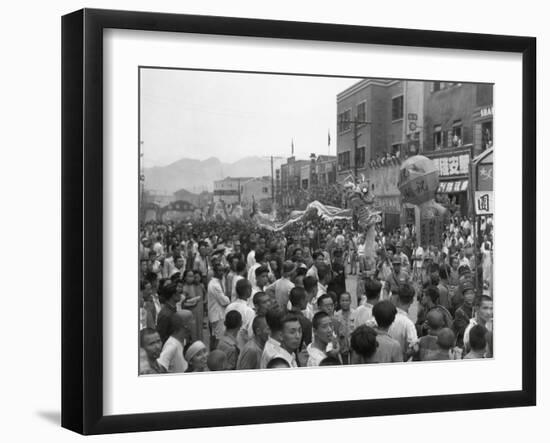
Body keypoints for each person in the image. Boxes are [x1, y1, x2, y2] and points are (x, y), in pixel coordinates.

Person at [388, 283, 418, 361]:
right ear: (412, 301)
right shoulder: (408, 324)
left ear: (397, 298)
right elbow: (415, 348)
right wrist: (403, 358)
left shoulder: (384, 315)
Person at [225, 279, 256, 350]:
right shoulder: (249, 311)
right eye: (250, 288)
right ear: (248, 291)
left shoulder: (229, 307)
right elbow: (251, 334)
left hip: (228, 344)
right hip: (242, 348)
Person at [207, 262, 230, 350]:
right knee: (218, 338)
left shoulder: (219, 281)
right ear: (215, 272)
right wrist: (228, 298)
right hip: (218, 315)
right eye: (219, 271)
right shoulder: (214, 285)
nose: (221, 273)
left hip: (217, 314)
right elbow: (224, 301)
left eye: (222, 270)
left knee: (215, 337)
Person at [180, 269, 204, 342]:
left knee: (199, 331)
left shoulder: (197, 286)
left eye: (192, 276)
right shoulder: (183, 287)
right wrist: (190, 302)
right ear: (185, 277)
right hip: (189, 314)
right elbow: (181, 303)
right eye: (189, 276)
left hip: (198, 314)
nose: (192, 278)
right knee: (190, 334)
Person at [334, 292, 356, 364]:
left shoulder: (355, 313)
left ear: (350, 301)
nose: (345, 303)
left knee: (354, 363)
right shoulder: (336, 315)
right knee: (344, 363)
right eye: (342, 300)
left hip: (353, 343)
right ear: (339, 302)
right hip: (342, 344)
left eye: (347, 300)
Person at [453, 280, 476, 347]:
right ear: (463, 296)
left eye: (471, 293)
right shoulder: (459, 312)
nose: (470, 296)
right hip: (464, 344)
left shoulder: (477, 309)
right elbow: (463, 331)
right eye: (467, 294)